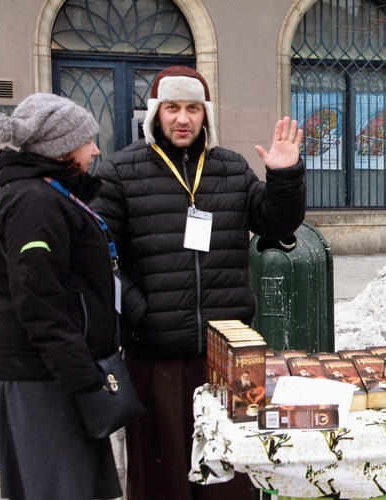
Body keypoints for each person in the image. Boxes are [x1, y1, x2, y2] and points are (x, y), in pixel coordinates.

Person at [91, 66, 306, 500]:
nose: (183, 119)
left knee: (229, 470)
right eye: (172, 108)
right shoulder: (119, 172)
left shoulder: (230, 167)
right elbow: (98, 254)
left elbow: (275, 224)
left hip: (227, 353)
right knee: (163, 475)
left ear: (205, 115)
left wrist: (284, 177)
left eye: (193, 108)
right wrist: (140, 311)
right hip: (157, 354)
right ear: (155, 113)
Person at [0, 93, 122, 499]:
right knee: (55, 486)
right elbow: (36, 294)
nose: (96, 149)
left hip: (58, 371)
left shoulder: (48, 194)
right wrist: (79, 373)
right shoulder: (34, 202)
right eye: (89, 141)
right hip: (44, 377)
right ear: (62, 148)